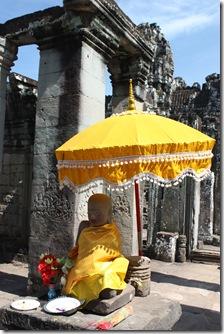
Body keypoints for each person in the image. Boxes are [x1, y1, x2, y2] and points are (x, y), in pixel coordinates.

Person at [62, 193, 129, 305]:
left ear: (108, 214)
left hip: (104, 266)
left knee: (113, 269)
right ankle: (96, 290)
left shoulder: (112, 231)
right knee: (75, 275)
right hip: (82, 267)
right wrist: (68, 262)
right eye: (89, 212)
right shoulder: (84, 227)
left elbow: (114, 253)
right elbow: (78, 249)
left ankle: (105, 288)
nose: (92, 216)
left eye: (97, 213)